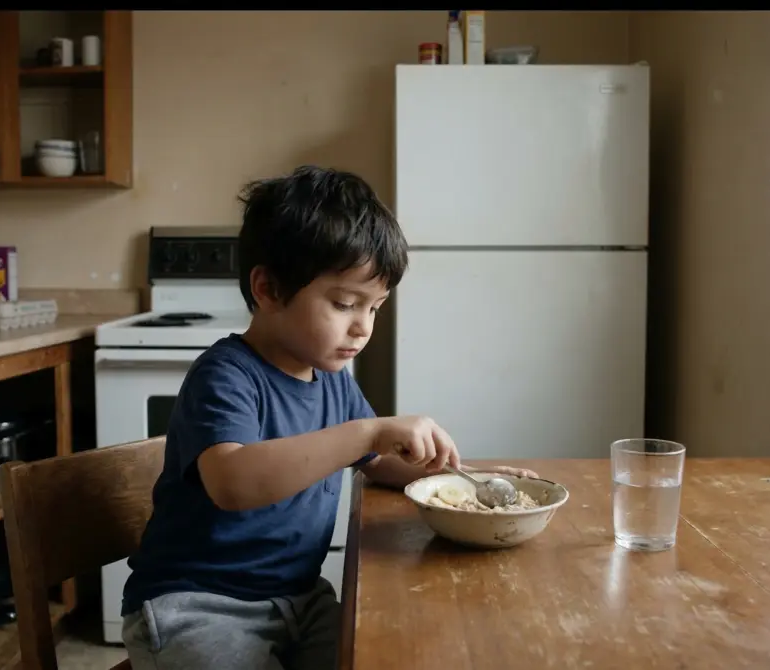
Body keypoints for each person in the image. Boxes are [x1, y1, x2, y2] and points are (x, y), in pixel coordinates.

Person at [121, 165, 536, 670]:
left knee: (387, 648)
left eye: (376, 307)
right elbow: (233, 482)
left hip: (300, 597)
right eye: (345, 304)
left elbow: (377, 460)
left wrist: (466, 479)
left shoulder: (332, 378)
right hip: (199, 604)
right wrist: (370, 429)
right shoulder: (226, 375)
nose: (363, 327)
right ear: (269, 289)